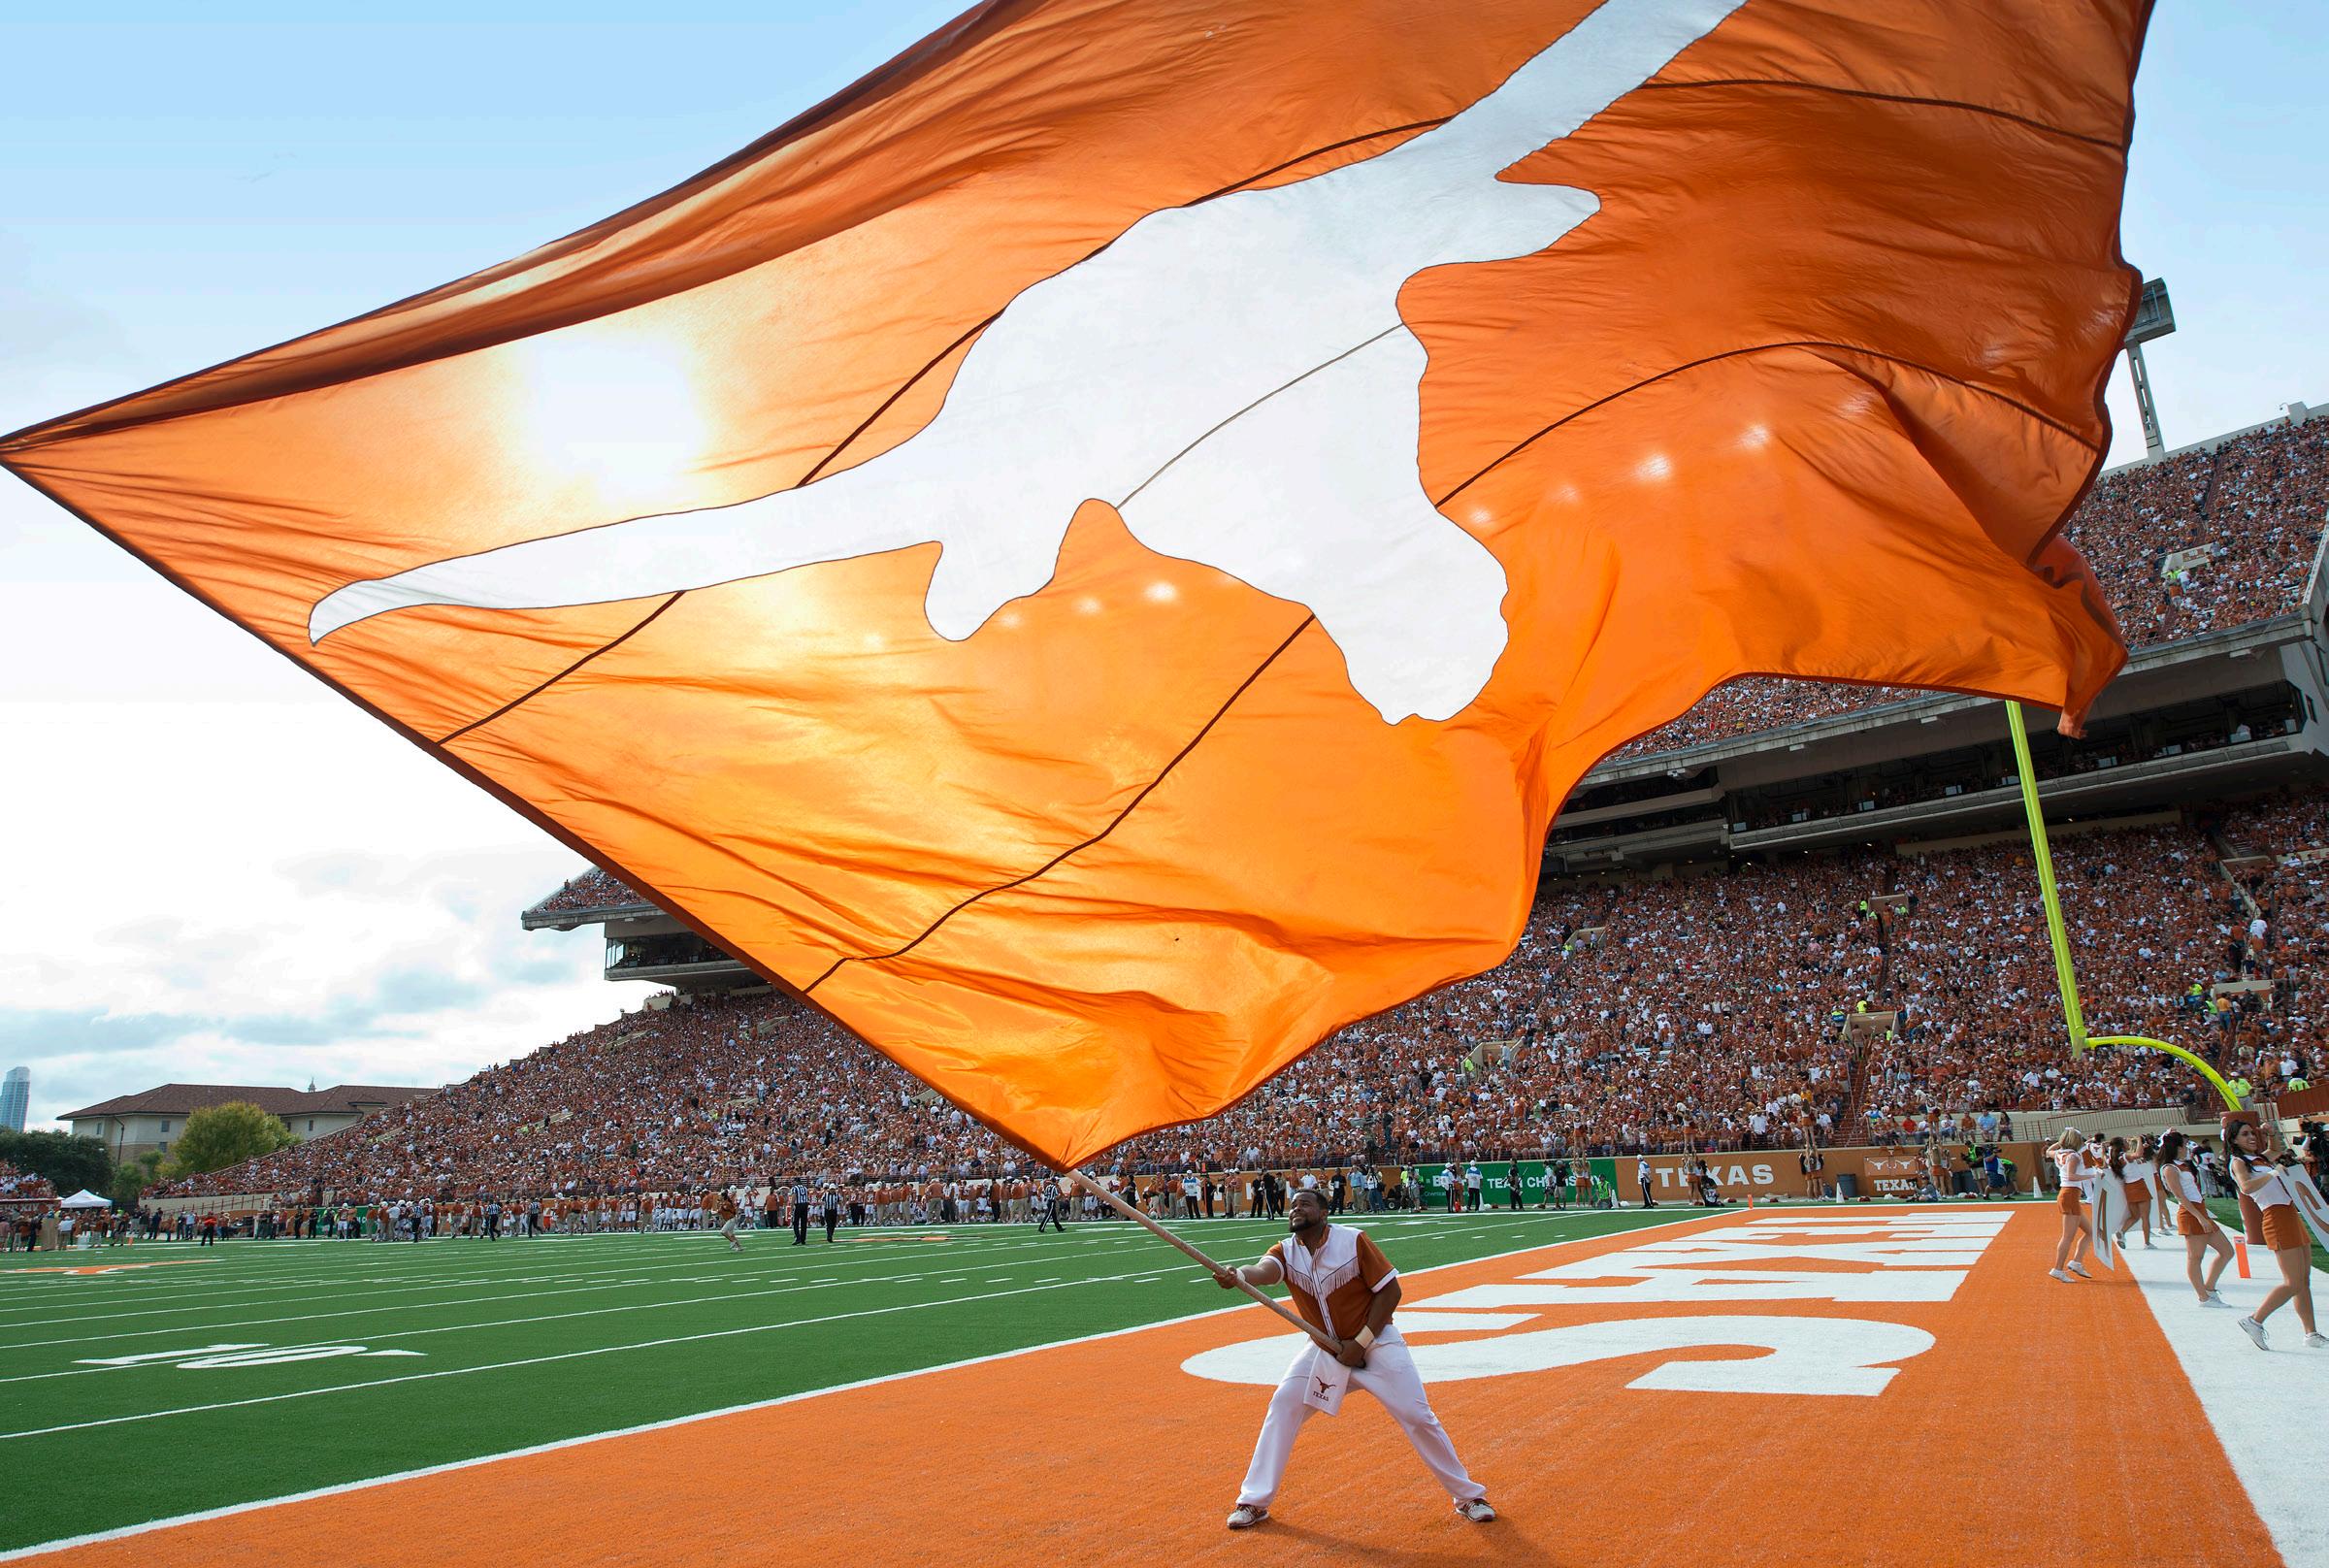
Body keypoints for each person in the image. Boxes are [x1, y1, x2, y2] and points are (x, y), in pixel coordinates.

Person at [1211, 1190, 1494, 1530]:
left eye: (1305, 1204)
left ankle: (1469, 1497)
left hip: (1377, 1344)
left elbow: (1391, 1291)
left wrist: (1360, 1343)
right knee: (1283, 1405)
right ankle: (1253, 1502)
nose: (1296, 1209)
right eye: (1293, 1205)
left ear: (1324, 1213)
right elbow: (1263, 1270)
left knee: (1417, 1416)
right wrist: (1240, 1276)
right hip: (1325, 1350)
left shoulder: (1353, 1241)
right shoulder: (1285, 1251)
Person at [2225, 1120, 2323, 1351]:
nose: (2251, 1137)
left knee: (2303, 1281)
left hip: (2289, 1214)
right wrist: (2273, 1173)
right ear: (2234, 1139)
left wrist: (2270, 1133)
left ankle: (2311, 1333)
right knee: (2293, 1282)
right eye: (2245, 1134)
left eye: (2252, 1133)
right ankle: (2255, 1320)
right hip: (2275, 1217)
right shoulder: (2238, 1162)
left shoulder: (2258, 1158)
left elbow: (2276, 1149)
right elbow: (2246, 1187)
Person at [2155, 1130, 2234, 1307]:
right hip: (2190, 1213)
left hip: (2199, 1210)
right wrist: (2200, 1218)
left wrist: (2203, 1215)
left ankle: (2209, 1289)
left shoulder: (2181, 1165)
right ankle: (2203, 1297)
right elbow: (2180, 1196)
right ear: (2178, 1147)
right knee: (2195, 1257)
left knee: (2227, 1251)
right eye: (2184, 1145)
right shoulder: (2169, 1168)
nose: (2187, 1148)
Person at [2048, 1130, 2096, 1284]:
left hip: (2069, 1194)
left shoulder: (2059, 1153)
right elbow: (2071, 1176)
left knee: (2091, 1232)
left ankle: (2076, 1262)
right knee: (2067, 1237)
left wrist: (2060, 1142)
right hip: (2070, 1194)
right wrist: (2093, 1175)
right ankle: (2058, 1269)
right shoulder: (2074, 1155)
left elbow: (2048, 1151)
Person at [718, 1190, 744, 1254]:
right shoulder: (723, 1203)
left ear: (723, 1196)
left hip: (731, 1219)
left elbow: (722, 1210)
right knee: (731, 1234)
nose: (719, 1197)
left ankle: (732, 1241)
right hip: (730, 1219)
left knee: (723, 1231)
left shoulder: (726, 1203)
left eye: (720, 1196)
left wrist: (715, 1211)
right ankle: (739, 1247)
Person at [791, 1177, 811, 1246]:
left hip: (798, 1206)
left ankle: (798, 1238)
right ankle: (803, 1239)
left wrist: (791, 1208)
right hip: (805, 1205)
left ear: (796, 1182)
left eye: (793, 1181)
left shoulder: (794, 1188)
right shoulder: (804, 1188)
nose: (793, 1183)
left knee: (795, 1222)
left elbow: (793, 1198)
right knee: (803, 1223)